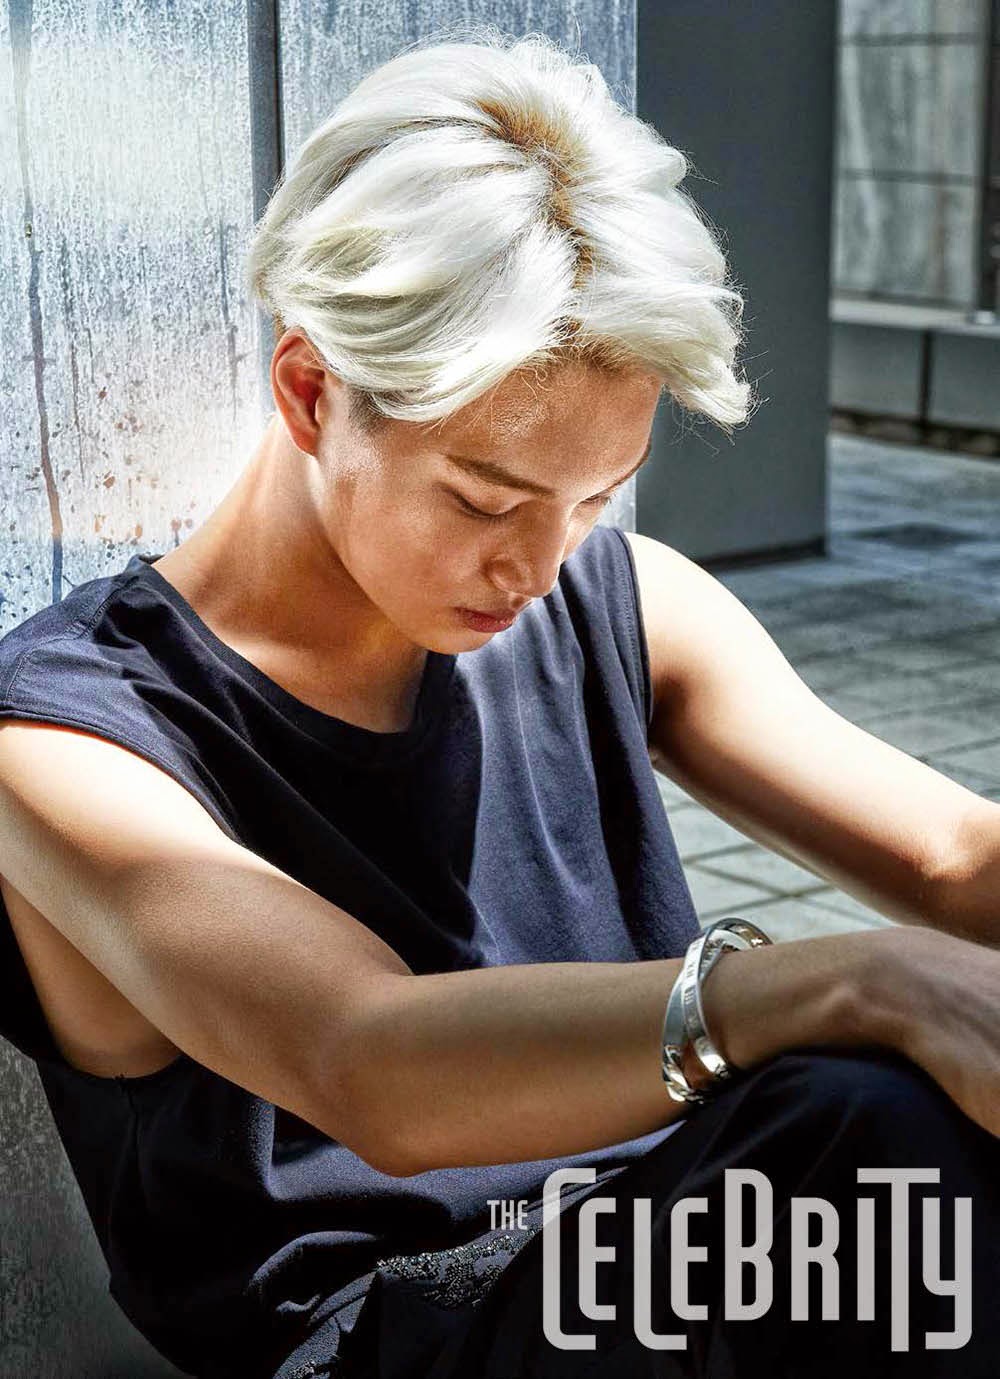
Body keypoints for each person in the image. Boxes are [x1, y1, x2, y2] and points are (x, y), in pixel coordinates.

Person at [0, 26, 997, 1379]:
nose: (538, 562)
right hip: (401, 1333)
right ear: (311, 390)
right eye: (486, 499)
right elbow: (366, 1061)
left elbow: (948, 855)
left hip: (679, 1260)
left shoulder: (614, 600)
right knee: (874, 1126)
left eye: (595, 498)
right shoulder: (67, 736)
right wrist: (858, 980)